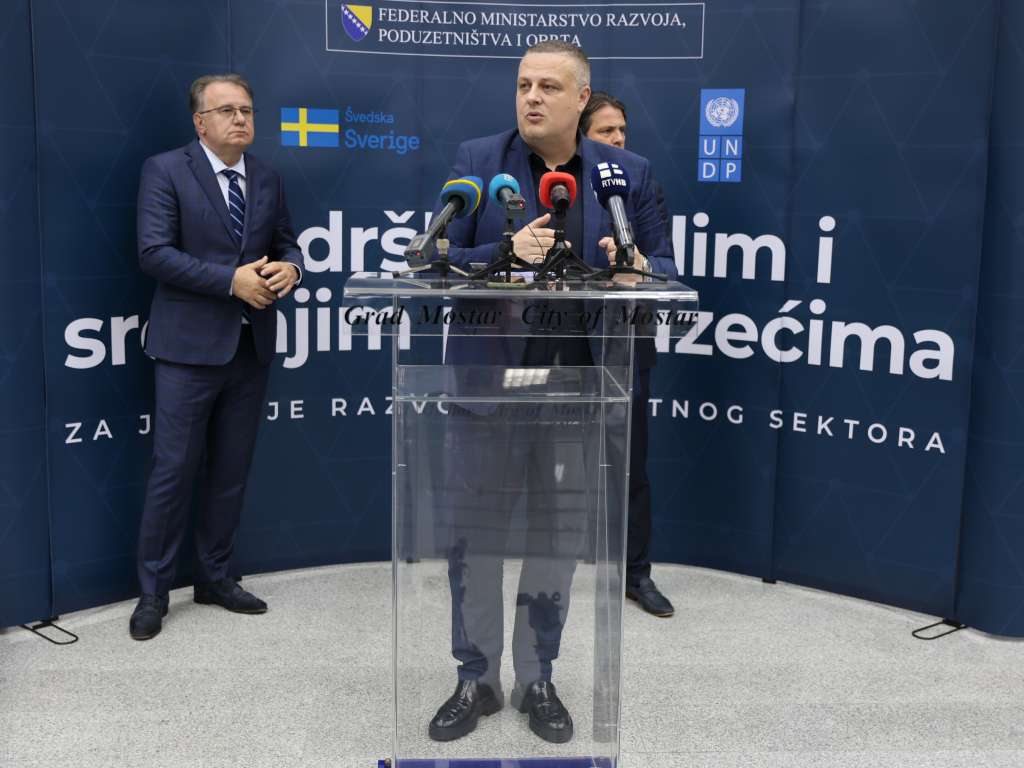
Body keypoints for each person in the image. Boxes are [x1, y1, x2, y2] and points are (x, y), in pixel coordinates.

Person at [426, 41, 677, 744]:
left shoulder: (626, 174)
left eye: (548, 87)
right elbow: (435, 260)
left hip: (577, 389)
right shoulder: (479, 162)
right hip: (488, 386)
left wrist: (635, 268)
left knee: (554, 539)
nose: (531, 97)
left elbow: (664, 264)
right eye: (523, 85)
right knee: (475, 540)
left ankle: (537, 676)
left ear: (581, 99)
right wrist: (502, 256)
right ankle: (475, 677)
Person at [130, 74, 303, 641]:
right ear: (199, 122)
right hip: (187, 350)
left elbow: (286, 241)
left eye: (246, 110)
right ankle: (153, 593)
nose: (240, 119)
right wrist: (231, 281)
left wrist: (292, 267)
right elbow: (154, 253)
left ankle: (215, 577)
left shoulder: (268, 176)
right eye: (226, 111)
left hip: (250, 347)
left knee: (230, 471)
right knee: (173, 471)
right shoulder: (165, 170)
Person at [580, 91, 675, 618]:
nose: (617, 140)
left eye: (622, 131)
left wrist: (639, 264)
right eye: (605, 132)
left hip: (624, 342)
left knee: (629, 467)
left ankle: (636, 574)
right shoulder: (556, 183)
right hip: (553, 339)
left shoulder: (638, 180)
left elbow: (666, 264)